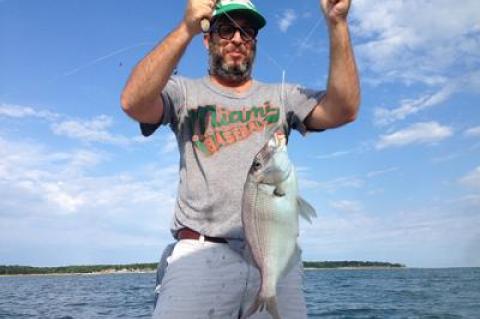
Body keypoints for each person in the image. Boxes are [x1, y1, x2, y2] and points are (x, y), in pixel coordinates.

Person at [121, 0, 360, 318]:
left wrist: (337, 23)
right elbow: (133, 102)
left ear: (255, 43)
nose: (237, 39)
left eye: (247, 32)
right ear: (207, 38)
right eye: (225, 29)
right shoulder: (183, 92)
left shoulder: (282, 96)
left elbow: (343, 110)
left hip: (276, 256)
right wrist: (185, 29)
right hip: (200, 253)